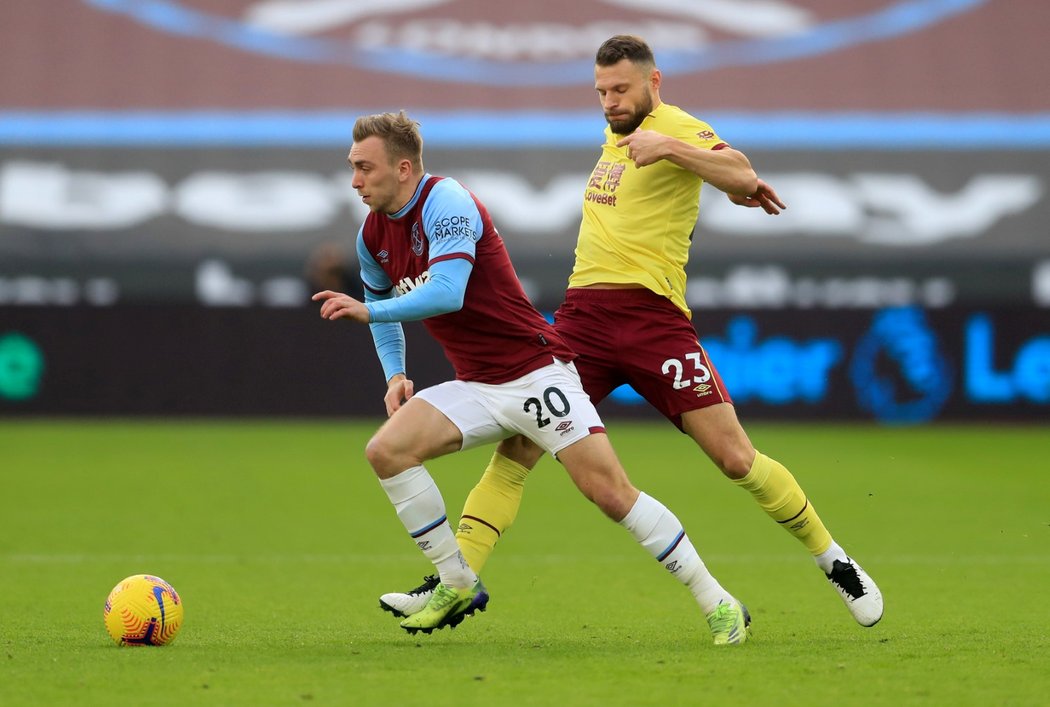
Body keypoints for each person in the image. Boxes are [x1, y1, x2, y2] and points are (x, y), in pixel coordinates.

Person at [381, 35, 884, 629]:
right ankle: (454, 583)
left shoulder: (675, 127)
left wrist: (671, 147)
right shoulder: (613, 141)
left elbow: (743, 175)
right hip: (583, 322)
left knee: (733, 457)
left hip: (654, 322)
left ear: (654, 82)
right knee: (518, 449)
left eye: (621, 89)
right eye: (601, 91)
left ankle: (834, 559)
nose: (610, 101)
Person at [314, 110, 752, 644]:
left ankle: (719, 603)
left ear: (403, 168)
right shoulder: (372, 235)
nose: (355, 181)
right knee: (386, 451)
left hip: (535, 373)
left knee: (610, 493)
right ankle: (456, 582)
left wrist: (368, 311)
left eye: (365, 168)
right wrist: (396, 374)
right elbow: (383, 302)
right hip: (477, 383)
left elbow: (446, 292)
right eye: (352, 168)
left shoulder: (447, 202)